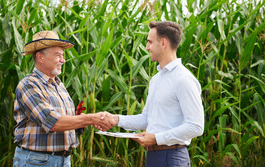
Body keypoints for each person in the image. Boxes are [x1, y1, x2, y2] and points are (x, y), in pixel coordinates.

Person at [106, 21, 204, 167]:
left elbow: (196, 126)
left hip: (172, 157)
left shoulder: (183, 79)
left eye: (150, 42)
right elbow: (147, 119)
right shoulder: (156, 79)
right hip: (153, 156)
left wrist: (157, 138)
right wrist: (115, 119)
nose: (147, 47)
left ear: (163, 43)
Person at [13, 30, 113, 167]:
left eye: (62, 55)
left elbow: (66, 120)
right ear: (40, 57)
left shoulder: (59, 85)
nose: (63, 60)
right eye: (57, 55)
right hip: (37, 161)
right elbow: (51, 122)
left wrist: (83, 122)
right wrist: (91, 118)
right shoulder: (29, 85)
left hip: (63, 161)